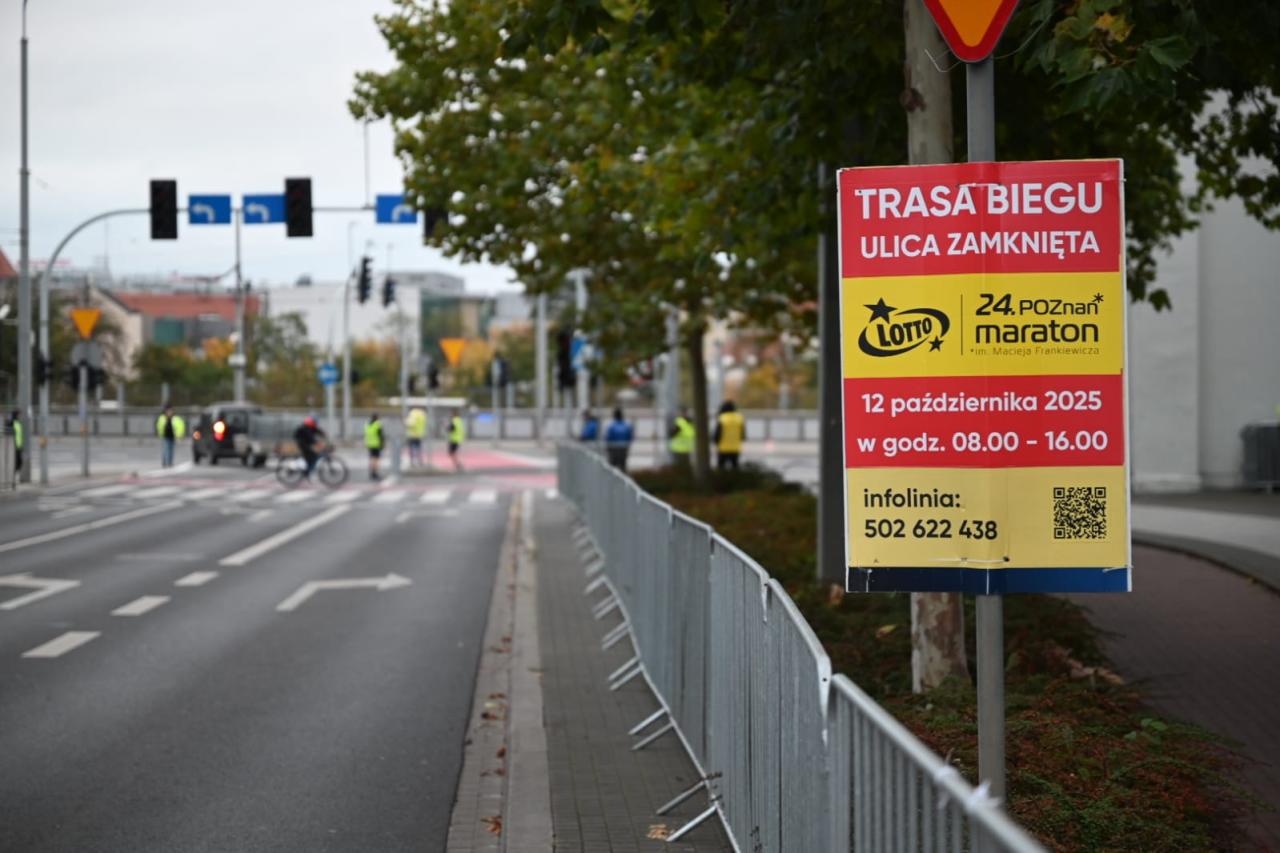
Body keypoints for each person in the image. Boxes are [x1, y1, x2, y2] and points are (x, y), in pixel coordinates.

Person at [714, 400, 745, 470]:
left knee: (720, 468)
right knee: (735, 468)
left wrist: (716, 443)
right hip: (736, 448)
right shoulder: (739, 418)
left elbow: (717, 434)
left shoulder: (722, 418)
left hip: (723, 448)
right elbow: (743, 435)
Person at [294, 415, 327, 481]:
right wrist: (318, 443)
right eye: (315, 423)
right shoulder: (305, 428)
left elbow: (317, 430)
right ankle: (307, 472)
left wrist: (323, 434)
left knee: (313, 457)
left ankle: (308, 471)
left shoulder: (310, 427)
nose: (315, 424)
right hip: (303, 445)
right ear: (311, 422)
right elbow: (311, 438)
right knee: (313, 456)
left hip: (307, 444)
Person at [365, 413, 385, 481]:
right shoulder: (377, 424)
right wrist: (382, 444)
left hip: (369, 444)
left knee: (371, 459)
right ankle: (375, 473)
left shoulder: (368, 424)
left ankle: (371, 472)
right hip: (376, 444)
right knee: (376, 459)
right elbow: (381, 435)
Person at [8, 409, 22, 478]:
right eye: (18, 414)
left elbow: (20, 435)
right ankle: (11, 476)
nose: (20, 416)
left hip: (19, 446)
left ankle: (12, 476)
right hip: (13, 446)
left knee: (19, 462)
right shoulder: (11, 422)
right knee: (15, 462)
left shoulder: (18, 423)